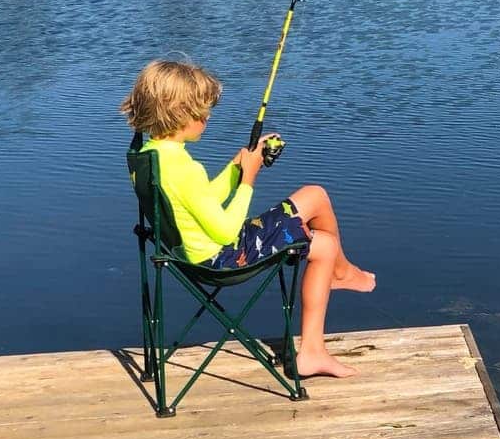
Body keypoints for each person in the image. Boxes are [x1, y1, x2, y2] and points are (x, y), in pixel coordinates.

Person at [120, 58, 374, 378]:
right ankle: (338, 280)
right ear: (180, 113)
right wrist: (248, 180)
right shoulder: (185, 169)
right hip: (223, 260)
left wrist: (237, 167)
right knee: (317, 199)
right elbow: (226, 231)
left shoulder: (150, 159)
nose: (208, 116)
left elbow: (200, 204)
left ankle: (320, 330)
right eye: (202, 110)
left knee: (322, 239)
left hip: (188, 256)